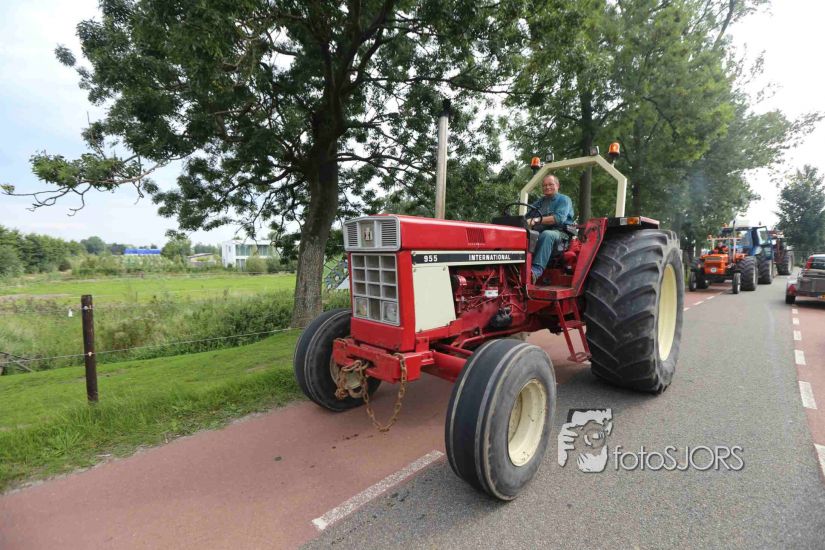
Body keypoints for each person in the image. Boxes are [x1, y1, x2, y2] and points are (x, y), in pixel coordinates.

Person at [529, 174, 575, 281]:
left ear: (557, 185)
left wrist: (535, 220)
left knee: (547, 234)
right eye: (544, 185)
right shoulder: (540, 202)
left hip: (560, 234)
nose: (547, 187)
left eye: (550, 184)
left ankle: (536, 271)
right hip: (540, 233)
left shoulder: (564, 200)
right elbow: (527, 216)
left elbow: (559, 218)